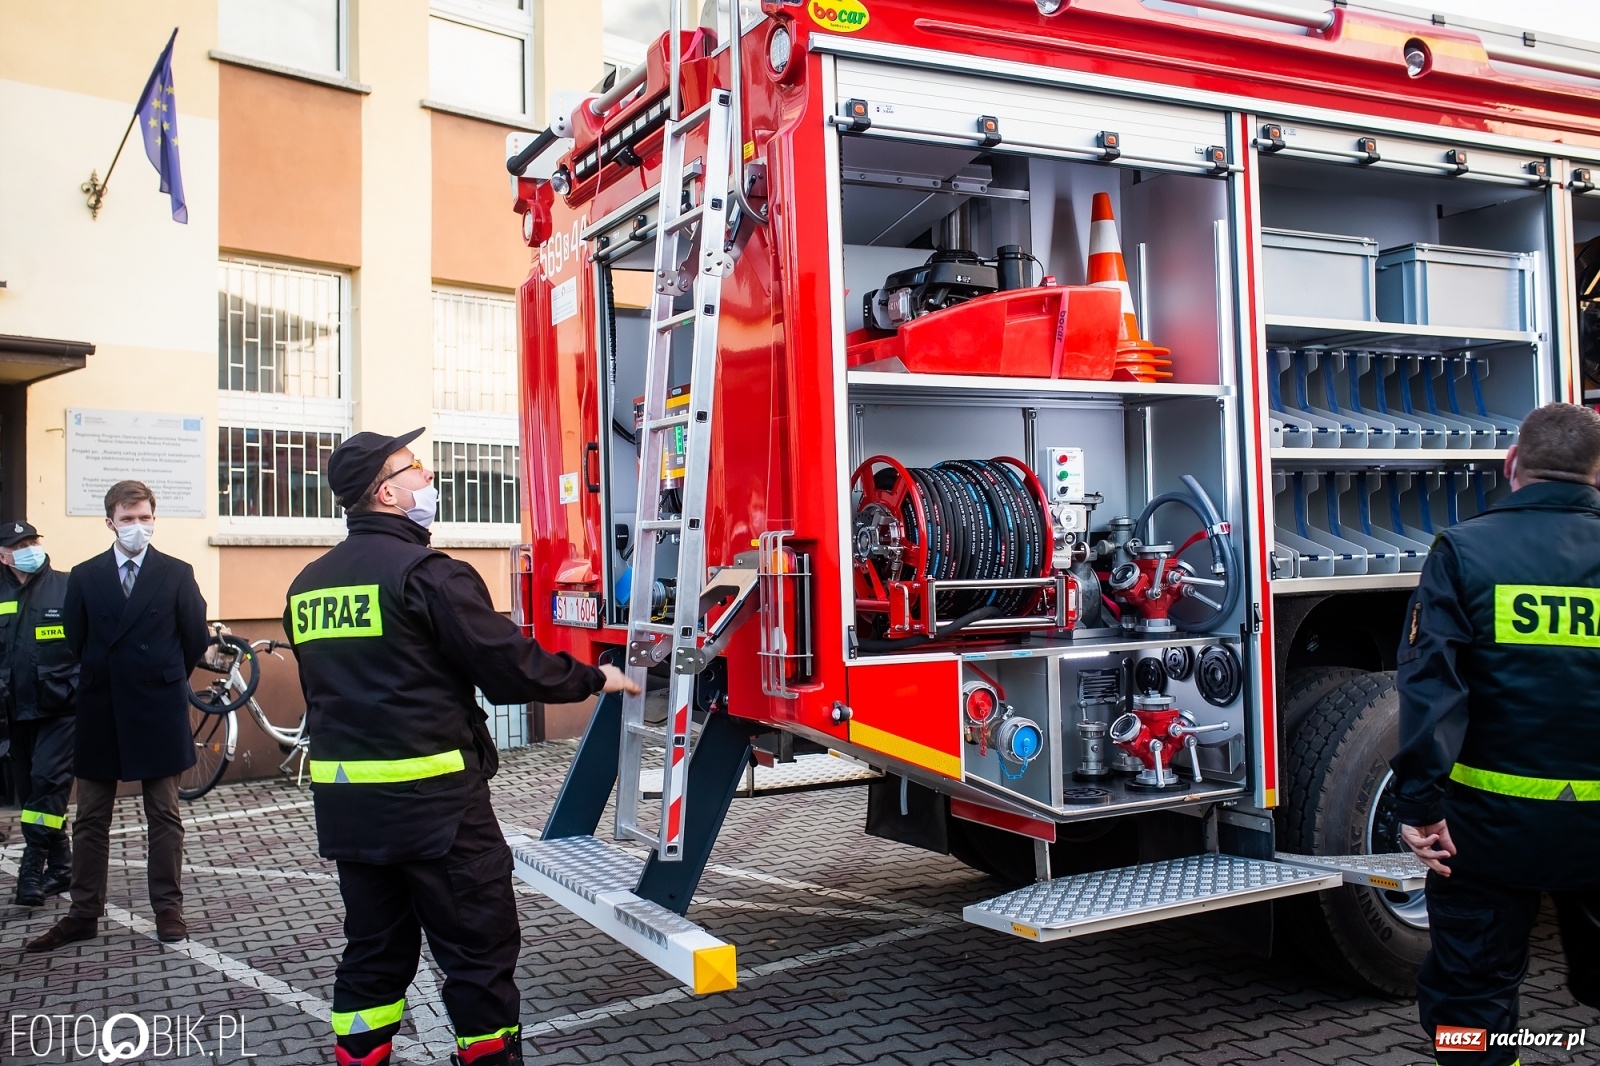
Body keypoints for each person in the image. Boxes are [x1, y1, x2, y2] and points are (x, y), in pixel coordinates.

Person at [287, 428, 637, 1066]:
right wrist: (593, 677)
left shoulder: (308, 586)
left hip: (351, 815)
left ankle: (360, 1056)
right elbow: (508, 669)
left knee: (373, 950)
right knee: (478, 952)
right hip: (438, 811)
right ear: (387, 492)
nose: (426, 477)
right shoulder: (429, 574)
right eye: (413, 468)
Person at [1394, 402, 1600, 1064]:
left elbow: (1431, 691)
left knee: (1469, 1010)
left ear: (1512, 464)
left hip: (1484, 831)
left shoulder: (1463, 552)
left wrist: (1421, 807)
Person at [25, 480, 208, 952]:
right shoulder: (85, 576)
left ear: (154, 518)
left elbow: (193, 638)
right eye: (127, 519)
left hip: (157, 706)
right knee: (90, 816)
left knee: (164, 813)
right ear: (110, 522)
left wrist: (163, 677)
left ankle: (168, 909)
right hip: (101, 705)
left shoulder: (176, 572)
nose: (137, 527)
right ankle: (84, 911)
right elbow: (74, 637)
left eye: (144, 517)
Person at [0, 520, 80, 906]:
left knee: (47, 783)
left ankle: (32, 868)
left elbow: (90, 645)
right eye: (20, 544)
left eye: (32, 540)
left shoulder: (67, 587)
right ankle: (63, 866)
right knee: (34, 793)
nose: (30, 547)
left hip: (60, 708)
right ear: (3, 555)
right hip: (14, 713)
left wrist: (78, 686)